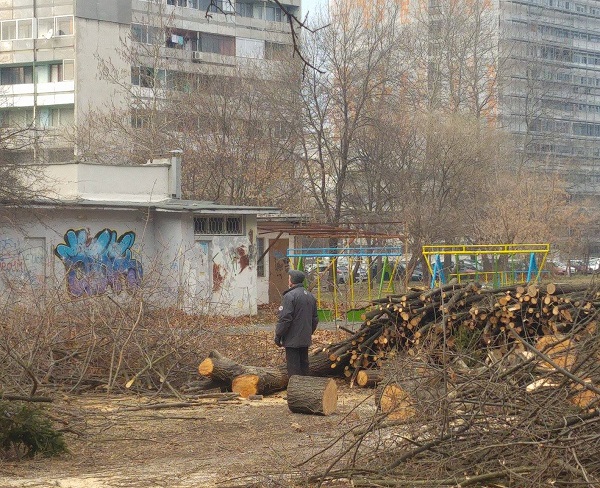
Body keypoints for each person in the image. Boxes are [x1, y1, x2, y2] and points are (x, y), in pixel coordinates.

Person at [274, 269, 318, 377]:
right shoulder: (310, 296)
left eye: (289, 278)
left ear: (292, 281)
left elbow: (285, 318)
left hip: (292, 339)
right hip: (305, 338)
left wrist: (278, 335)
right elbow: (315, 319)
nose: (288, 280)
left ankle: (295, 390)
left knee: (293, 368)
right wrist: (308, 332)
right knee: (304, 365)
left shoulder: (290, 296)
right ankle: (304, 390)